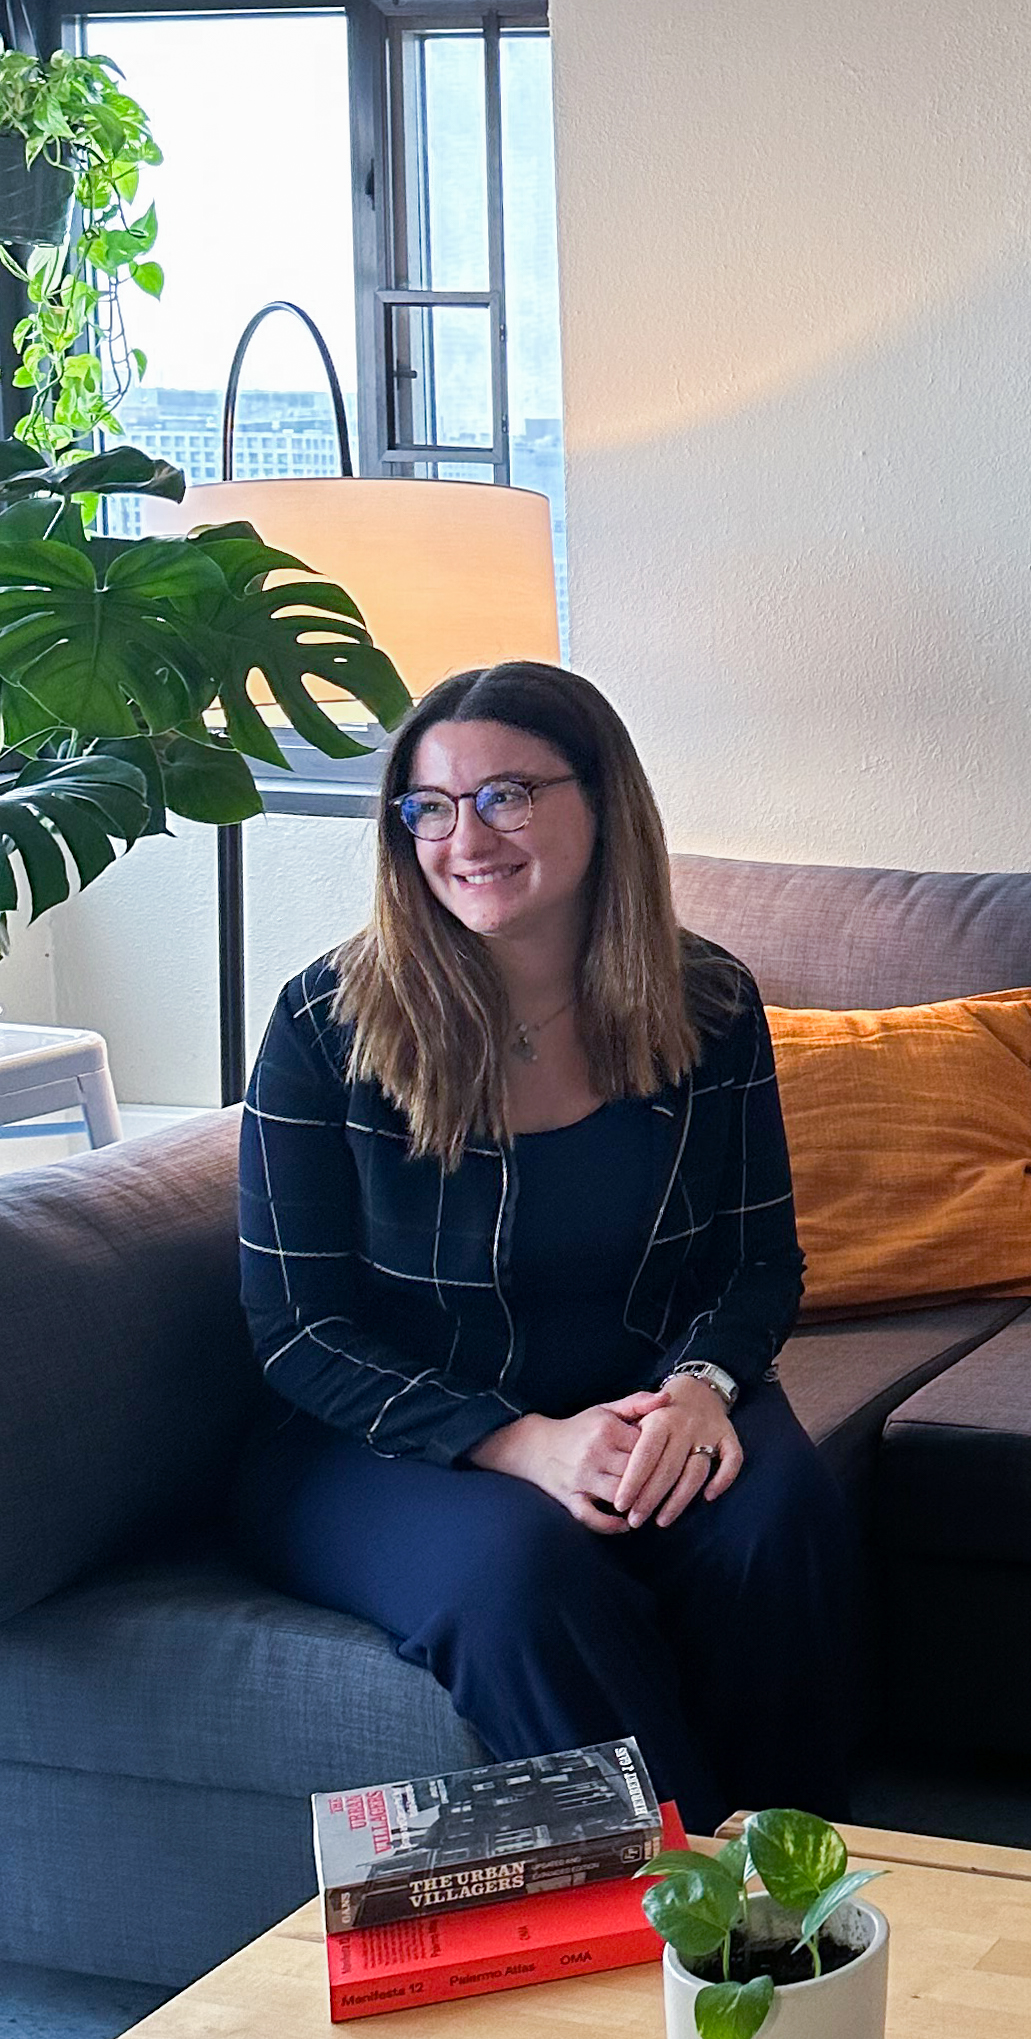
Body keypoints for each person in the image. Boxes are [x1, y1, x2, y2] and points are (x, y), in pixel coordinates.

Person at [232, 661, 857, 1827]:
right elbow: (297, 1330)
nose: (466, 836)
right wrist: (520, 1444)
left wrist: (700, 1389)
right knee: (520, 1572)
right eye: (430, 805)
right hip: (379, 1437)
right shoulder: (326, 1024)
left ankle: (797, 1881)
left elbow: (755, 1261)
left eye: (507, 795)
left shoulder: (709, 1002)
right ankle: (683, 1910)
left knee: (780, 1519)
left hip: (638, 1399)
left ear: (603, 800)